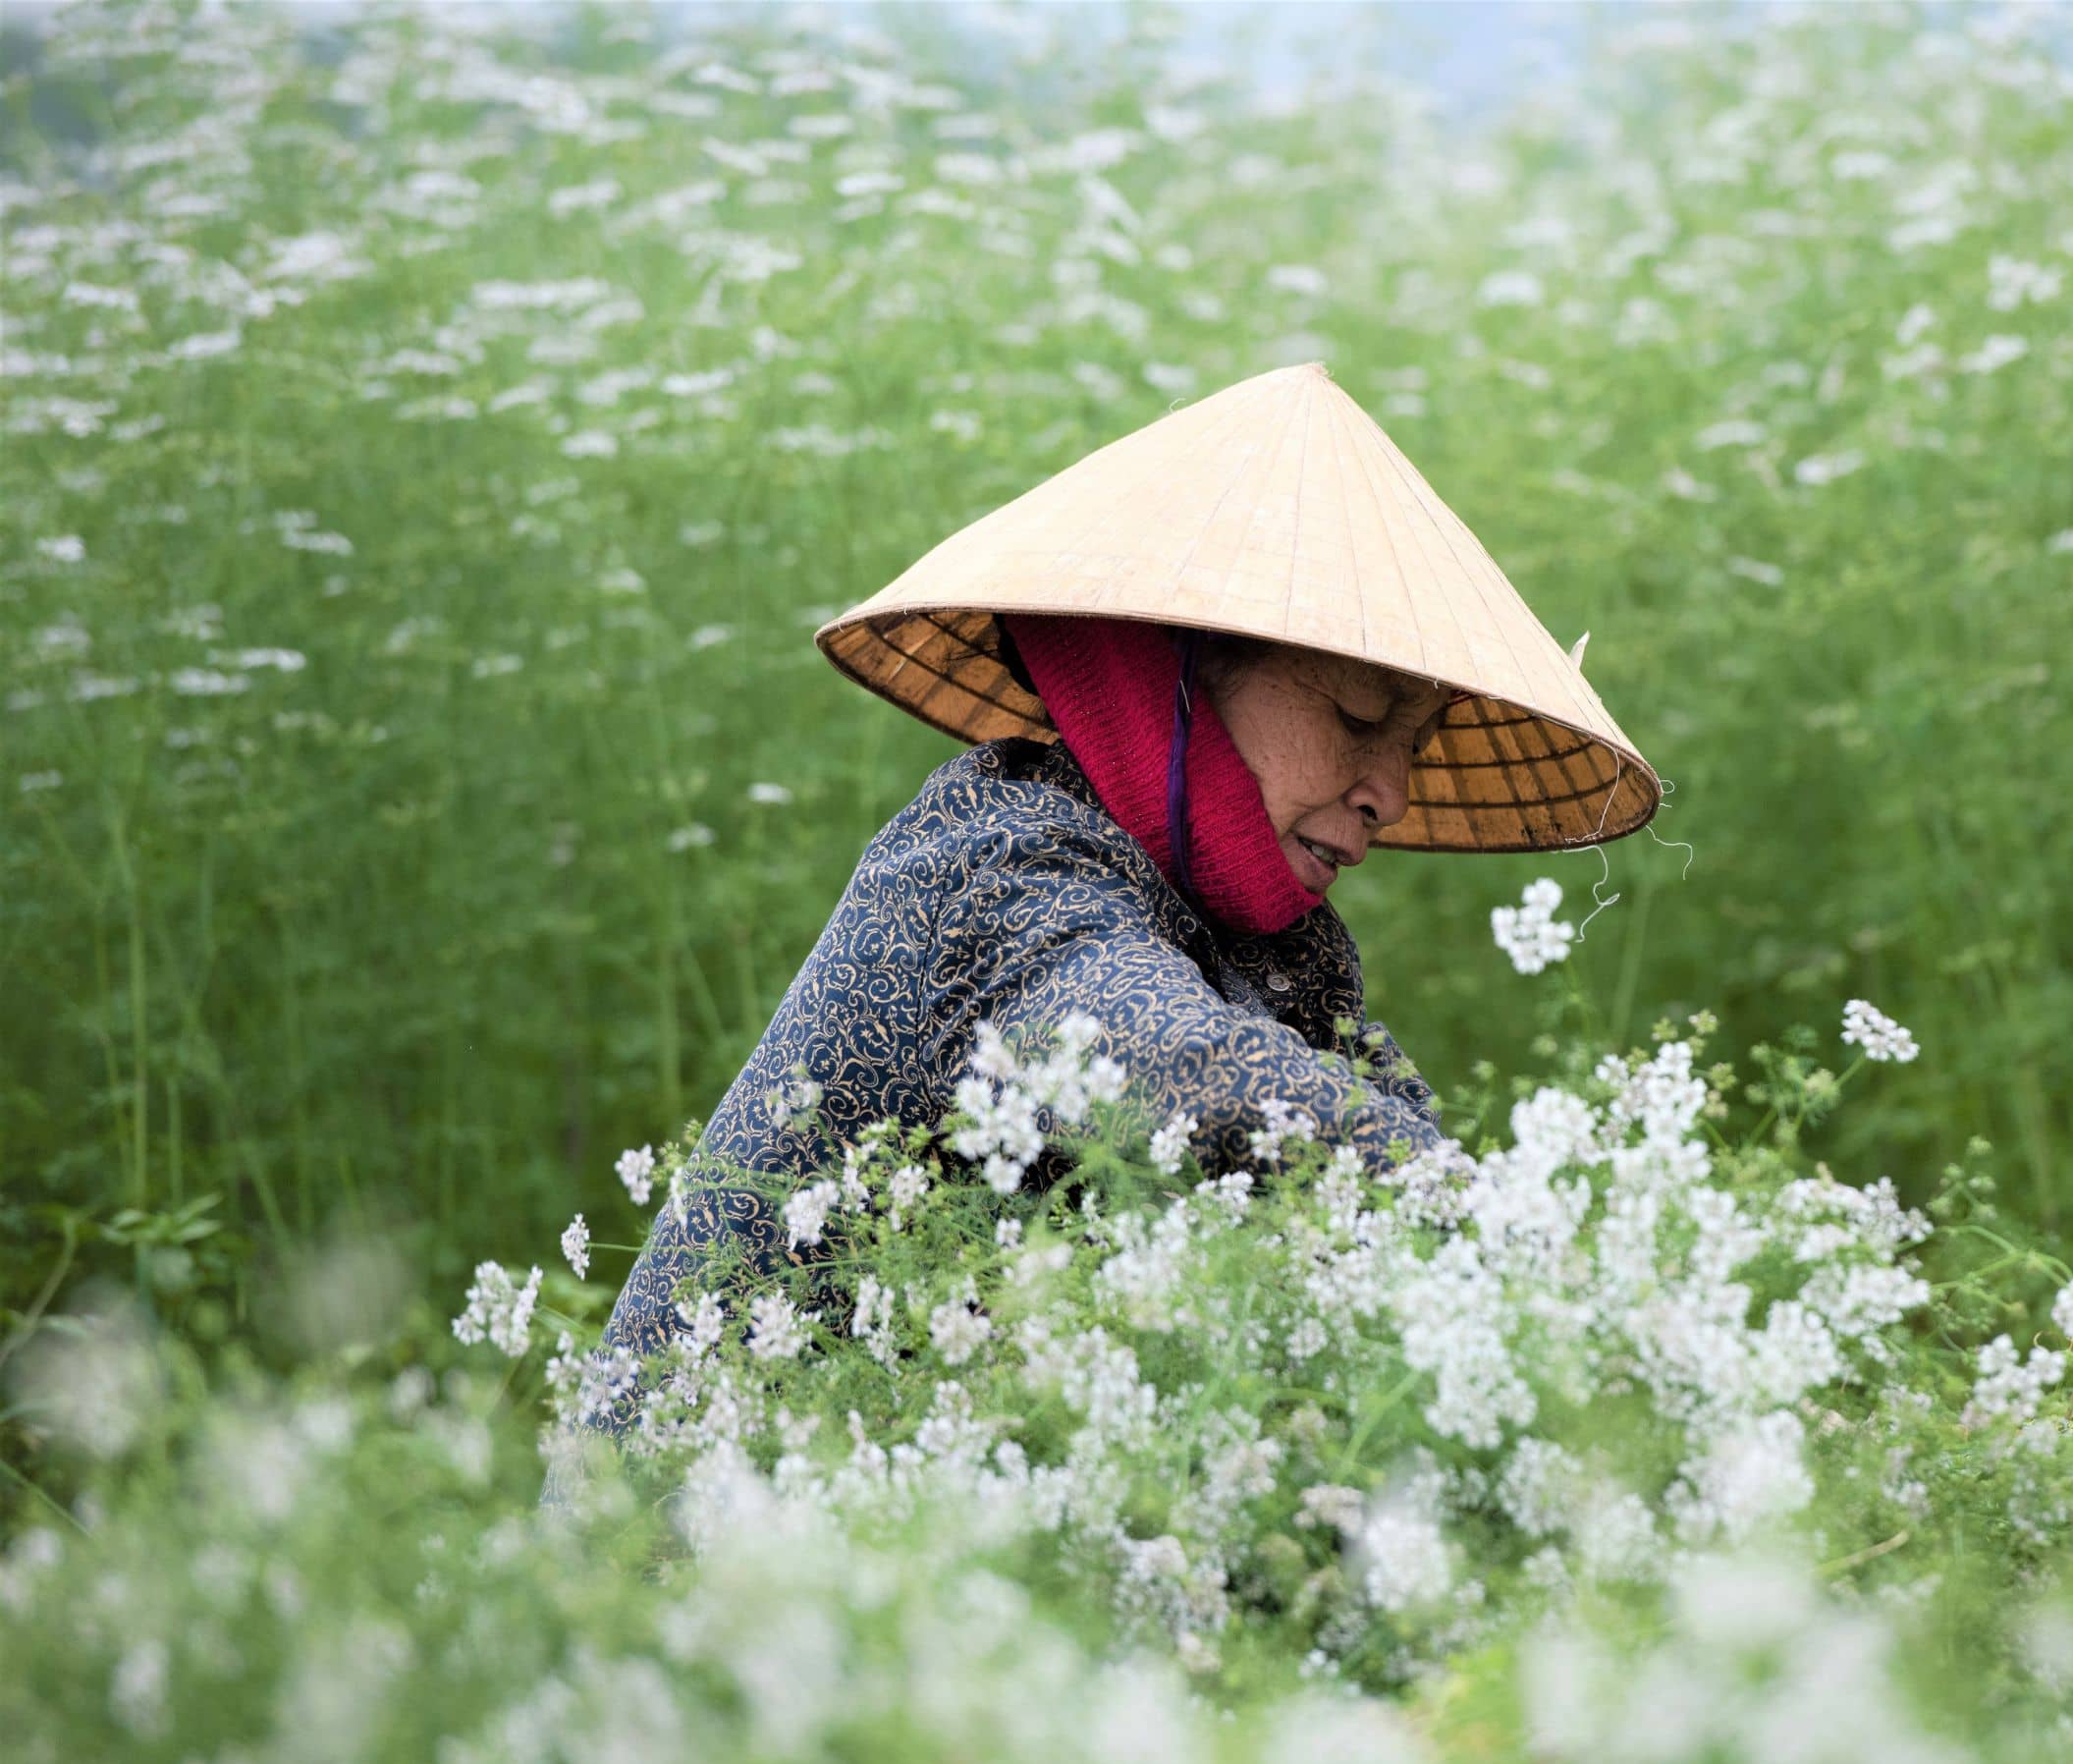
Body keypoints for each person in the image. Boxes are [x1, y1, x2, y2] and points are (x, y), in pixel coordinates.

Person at [580, 360, 1660, 1444]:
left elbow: (1387, 1140)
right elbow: (1169, 1063)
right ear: (1177, 675)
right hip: (694, 1515)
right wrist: (1493, 1224)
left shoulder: (1273, 952)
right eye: (1357, 715)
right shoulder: (996, 851)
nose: (1392, 792)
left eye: (1412, 747)